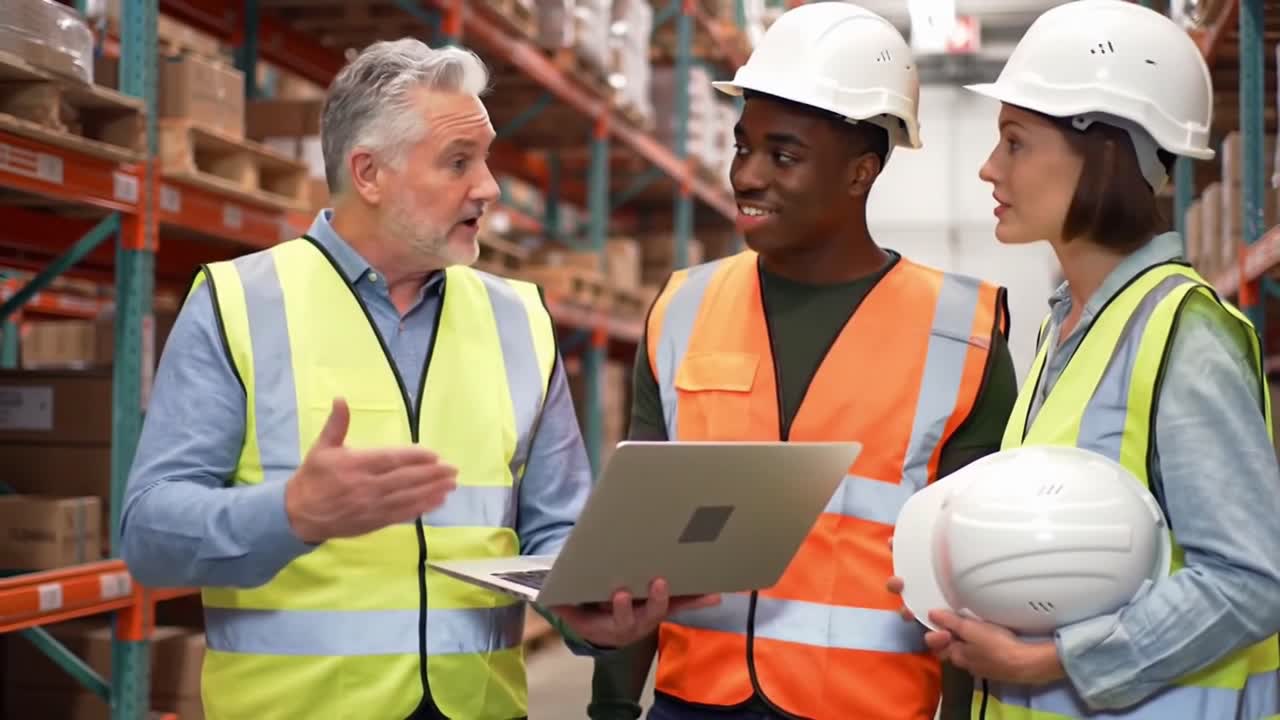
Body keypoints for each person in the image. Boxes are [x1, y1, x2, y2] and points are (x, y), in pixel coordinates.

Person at [119, 38, 716, 720]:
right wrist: (290, 514)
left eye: (485, 160)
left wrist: (593, 616)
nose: (488, 187)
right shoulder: (240, 302)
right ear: (369, 173)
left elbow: (558, 530)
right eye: (459, 162)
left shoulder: (517, 317)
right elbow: (149, 538)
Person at [588, 4, 1019, 720]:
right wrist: (609, 706)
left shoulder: (964, 336)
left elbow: (970, 587)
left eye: (783, 155)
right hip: (690, 703)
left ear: (860, 173)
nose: (747, 176)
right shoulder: (680, 312)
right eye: (742, 146)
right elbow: (640, 548)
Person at [889, 1, 1280, 717]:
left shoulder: (1181, 334)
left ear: (1105, 154)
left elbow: (1253, 579)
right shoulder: (1063, 331)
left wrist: (1055, 661)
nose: (987, 167)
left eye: (1015, 142)